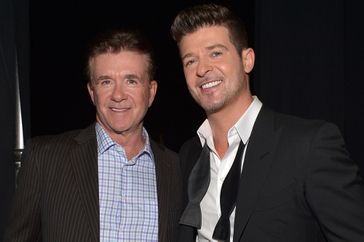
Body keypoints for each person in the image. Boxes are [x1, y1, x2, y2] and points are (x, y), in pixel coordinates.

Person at [170, 3, 364, 242]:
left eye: (216, 53)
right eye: (190, 61)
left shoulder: (308, 146)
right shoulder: (188, 156)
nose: (202, 69)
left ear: (247, 60)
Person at [4, 29, 182, 242]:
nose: (118, 95)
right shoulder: (45, 158)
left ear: (151, 92)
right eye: (106, 82)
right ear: (92, 92)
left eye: (131, 81)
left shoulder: (176, 168)